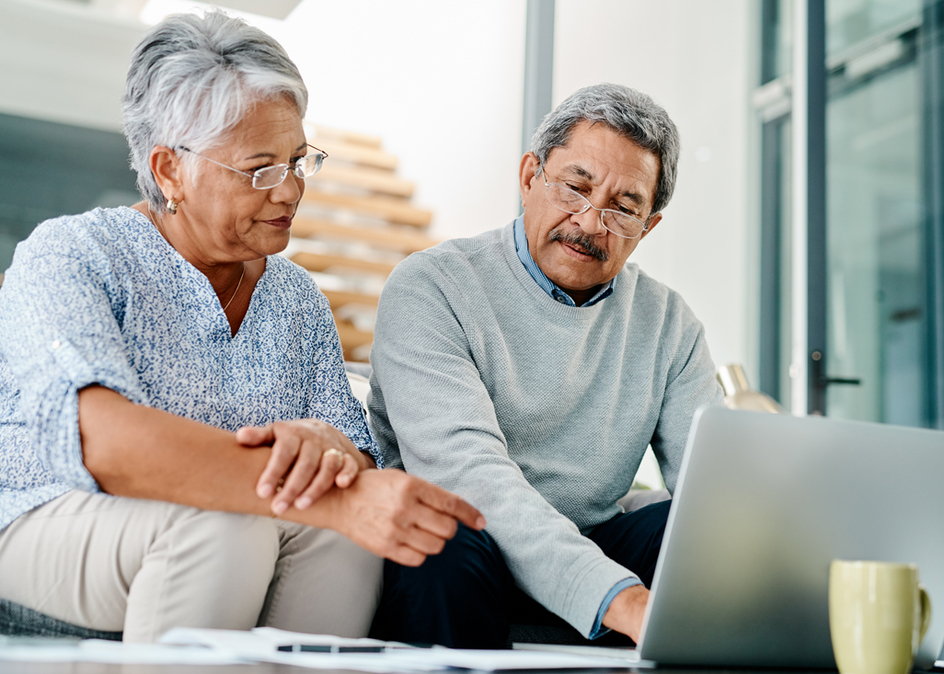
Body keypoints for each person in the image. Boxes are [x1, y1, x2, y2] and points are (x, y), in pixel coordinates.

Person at [0, 10, 483, 643]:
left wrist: (325, 446)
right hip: (41, 512)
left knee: (339, 539)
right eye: (261, 169)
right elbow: (106, 446)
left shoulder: (295, 296)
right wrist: (331, 493)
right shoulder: (74, 254)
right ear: (171, 170)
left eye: (298, 161)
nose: (288, 192)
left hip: (227, 531)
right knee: (224, 526)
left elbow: (353, 448)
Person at [368, 83, 723, 648]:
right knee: (441, 544)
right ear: (530, 175)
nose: (589, 222)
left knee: (692, 533)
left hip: (590, 543)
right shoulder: (432, 287)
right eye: (574, 188)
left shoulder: (669, 324)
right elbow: (469, 479)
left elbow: (716, 490)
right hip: (466, 541)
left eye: (622, 208)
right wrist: (619, 600)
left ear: (647, 226)